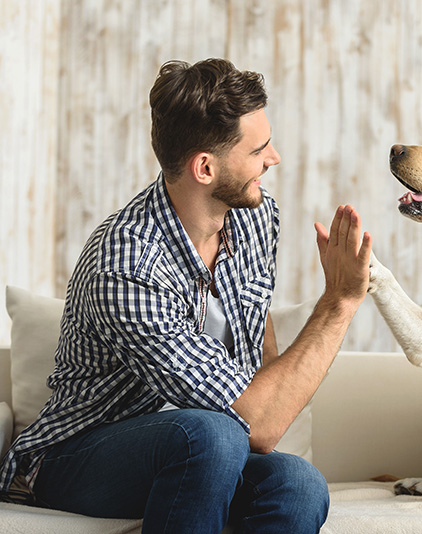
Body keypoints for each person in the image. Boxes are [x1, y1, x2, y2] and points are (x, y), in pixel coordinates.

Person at [0, 58, 372, 533]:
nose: (274, 158)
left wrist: (265, 417)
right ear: (205, 167)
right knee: (211, 434)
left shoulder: (256, 217)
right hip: (76, 456)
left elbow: (259, 345)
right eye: (258, 149)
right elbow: (255, 422)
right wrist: (338, 303)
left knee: (297, 484)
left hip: (208, 447)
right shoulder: (127, 264)